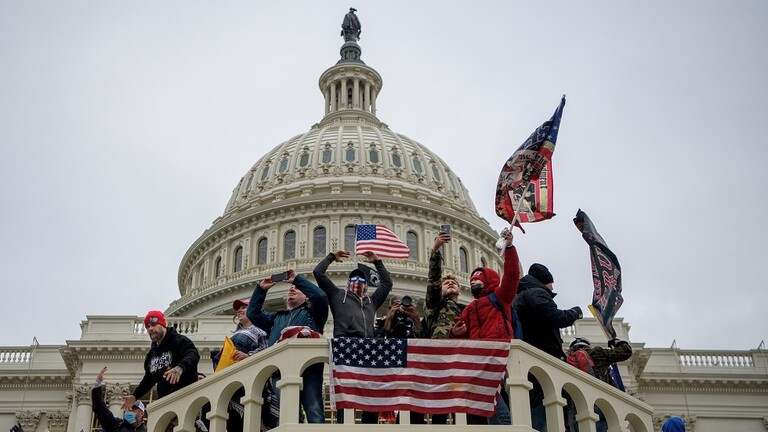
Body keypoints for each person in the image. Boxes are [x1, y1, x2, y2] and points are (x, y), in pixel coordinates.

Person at [313, 250, 392, 424]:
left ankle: (368, 426)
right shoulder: (337, 296)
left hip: (368, 348)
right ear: (349, 282)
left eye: (362, 280)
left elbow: (387, 284)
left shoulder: (372, 301)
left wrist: (377, 262)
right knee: (345, 394)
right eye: (355, 279)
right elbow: (318, 273)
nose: (358, 282)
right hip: (345, 347)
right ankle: (344, 426)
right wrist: (331, 257)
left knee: (371, 393)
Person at [451, 228, 519, 425]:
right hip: (481, 361)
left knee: (500, 407)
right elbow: (457, 334)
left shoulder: (500, 297)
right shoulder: (470, 308)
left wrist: (510, 248)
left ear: (489, 279)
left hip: (500, 357)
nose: (474, 282)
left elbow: (512, 275)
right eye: (472, 280)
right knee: (491, 407)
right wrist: (454, 333)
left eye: (478, 279)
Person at [247, 269, 329, 425]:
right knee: (289, 414)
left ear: (306, 296)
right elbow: (252, 313)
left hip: (308, 369)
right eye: (291, 289)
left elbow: (321, 297)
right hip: (280, 370)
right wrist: (261, 289)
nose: (292, 289)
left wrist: (297, 279)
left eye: (296, 289)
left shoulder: (314, 313)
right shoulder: (276, 317)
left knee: (314, 411)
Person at [513, 264, 583, 432]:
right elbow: (554, 317)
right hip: (540, 356)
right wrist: (575, 312)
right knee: (542, 404)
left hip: (528, 357)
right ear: (545, 281)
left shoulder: (520, 297)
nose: (552, 287)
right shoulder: (536, 293)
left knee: (533, 404)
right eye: (551, 282)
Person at [423, 230, 465, 424]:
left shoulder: (467, 310)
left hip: (463, 361)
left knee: (463, 409)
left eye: (453, 282)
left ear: (459, 289)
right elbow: (433, 282)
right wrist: (436, 251)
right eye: (446, 282)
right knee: (440, 408)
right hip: (441, 360)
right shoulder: (435, 307)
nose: (449, 283)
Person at [121, 310, 200, 410]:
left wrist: (180, 368)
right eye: (148, 326)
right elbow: (149, 379)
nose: (150, 329)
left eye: (153, 324)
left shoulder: (178, 340)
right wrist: (135, 396)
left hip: (186, 398)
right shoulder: (151, 354)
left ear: (163, 325)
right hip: (166, 404)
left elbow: (193, 354)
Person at [212, 299, 269, 432]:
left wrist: (248, 356)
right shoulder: (234, 335)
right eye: (239, 308)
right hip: (231, 387)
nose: (239, 311)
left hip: (250, 384)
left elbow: (267, 350)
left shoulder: (261, 331)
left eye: (244, 307)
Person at [374, 295, 425, 425]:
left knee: (414, 413)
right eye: (396, 305)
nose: (400, 308)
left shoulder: (413, 321)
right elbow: (378, 344)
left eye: (403, 304)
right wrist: (389, 319)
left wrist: (416, 319)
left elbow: (423, 341)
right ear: (390, 307)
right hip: (389, 370)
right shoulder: (382, 321)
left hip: (412, 371)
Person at [565, 337, 633, 432]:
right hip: (598, 404)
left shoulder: (566, 362)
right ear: (587, 346)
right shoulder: (597, 353)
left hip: (574, 410)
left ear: (571, 348)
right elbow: (626, 351)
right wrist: (617, 342)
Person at [92, 367, 146, 432]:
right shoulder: (116, 426)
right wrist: (98, 383)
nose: (128, 411)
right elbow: (100, 409)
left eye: (132, 409)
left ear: (141, 413)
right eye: (127, 409)